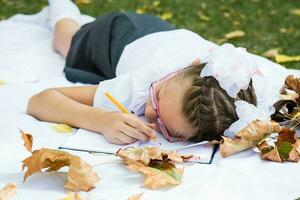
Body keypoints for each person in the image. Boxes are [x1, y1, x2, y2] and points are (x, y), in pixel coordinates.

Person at [27, 0, 256, 145]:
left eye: (167, 128)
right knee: (65, 40)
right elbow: (39, 101)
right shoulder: (138, 86)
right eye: (156, 97)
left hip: (159, 33)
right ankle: (61, 6)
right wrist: (102, 120)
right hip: (112, 34)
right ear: (188, 66)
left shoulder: (230, 85)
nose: (147, 112)